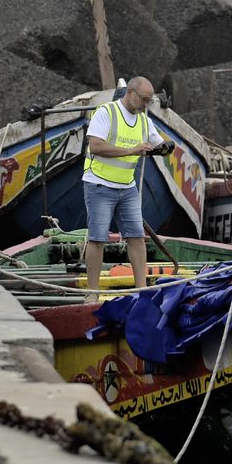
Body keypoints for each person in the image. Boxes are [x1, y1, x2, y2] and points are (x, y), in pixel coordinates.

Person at [82, 76, 170, 303]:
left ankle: (142, 290)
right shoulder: (107, 112)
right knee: (97, 239)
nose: (146, 104)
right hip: (99, 183)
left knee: (137, 237)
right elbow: (96, 146)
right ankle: (92, 292)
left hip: (127, 187)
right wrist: (131, 150)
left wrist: (164, 148)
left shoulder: (144, 121)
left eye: (149, 101)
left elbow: (158, 143)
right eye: (144, 99)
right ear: (130, 91)